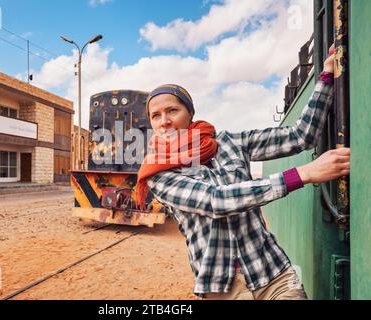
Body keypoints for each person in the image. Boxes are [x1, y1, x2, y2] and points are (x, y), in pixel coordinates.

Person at [136, 46, 350, 300]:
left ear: (190, 113)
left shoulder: (229, 142)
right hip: (223, 289)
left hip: (274, 274)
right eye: (155, 116)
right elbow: (216, 200)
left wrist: (326, 76)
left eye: (172, 110)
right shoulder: (158, 173)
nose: (164, 121)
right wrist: (302, 174)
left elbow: (300, 136)